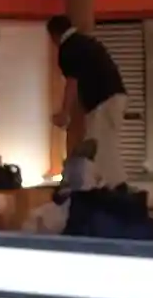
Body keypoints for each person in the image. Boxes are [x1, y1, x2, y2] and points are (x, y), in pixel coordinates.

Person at [47, 13, 129, 186]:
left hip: (103, 100)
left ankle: (117, 187)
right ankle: (106, 186)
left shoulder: (68, 48)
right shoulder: (85, 41)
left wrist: (64, 113)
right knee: (101, 143)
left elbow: (72, 82)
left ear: (54, 34)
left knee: (101, 146)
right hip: (114, 96)